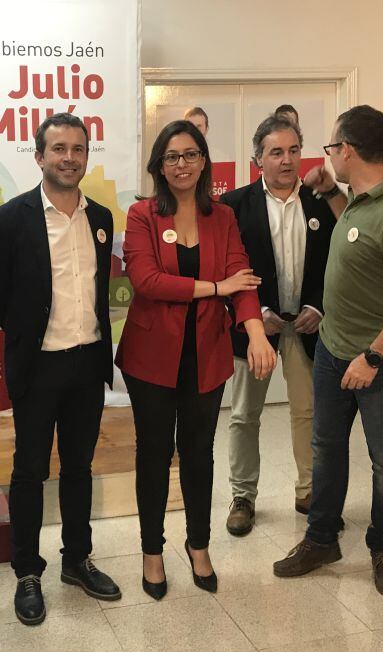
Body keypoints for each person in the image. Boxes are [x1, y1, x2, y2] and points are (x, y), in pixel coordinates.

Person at [273, 106, 383, 600]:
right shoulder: (363, 199)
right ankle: (321, 539)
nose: (328, 158)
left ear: (347, 150)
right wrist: (328, 192)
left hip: (380, 362)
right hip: (332, 351)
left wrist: (374, 357)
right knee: (327, 449)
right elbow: (362, 238)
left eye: (330, 148)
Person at [117, 120, 277, 599]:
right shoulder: (142, 214)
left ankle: (198, 545)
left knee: (199, 455)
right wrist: (214, 289)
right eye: (171, 156)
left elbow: (240, 279)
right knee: (153, 455)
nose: (181, 164)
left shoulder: (221, 216)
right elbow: (147, 281)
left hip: (205, 356)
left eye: (190, 154)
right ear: (159, 165)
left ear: (204, 161)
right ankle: (151, 550)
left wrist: (255, 334)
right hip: (150, 359)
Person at [0, 113, 120, 625]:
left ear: (86, 155)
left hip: (87, 362)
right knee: (30, 471)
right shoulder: (11, 219)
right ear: (39, 157)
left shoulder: (100, 218)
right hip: (37, 366)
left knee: (79, 468)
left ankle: (76, 561)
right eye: (58, 149)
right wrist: (24, 332)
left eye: (77, 149)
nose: (68, 157)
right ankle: (27, 572)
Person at [219, 115, 336, 534]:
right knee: (245, 414)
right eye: (276, 152)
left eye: (292, 150)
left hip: (306, 327)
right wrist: (254, 313)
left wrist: (318, 307)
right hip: (257, 328)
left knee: (307, 411)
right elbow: (229, 270)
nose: (287, 161)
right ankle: (243, 496)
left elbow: (333, 266)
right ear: (257, 160)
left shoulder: (323, 201)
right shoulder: (233, 206)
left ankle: (308, 491)